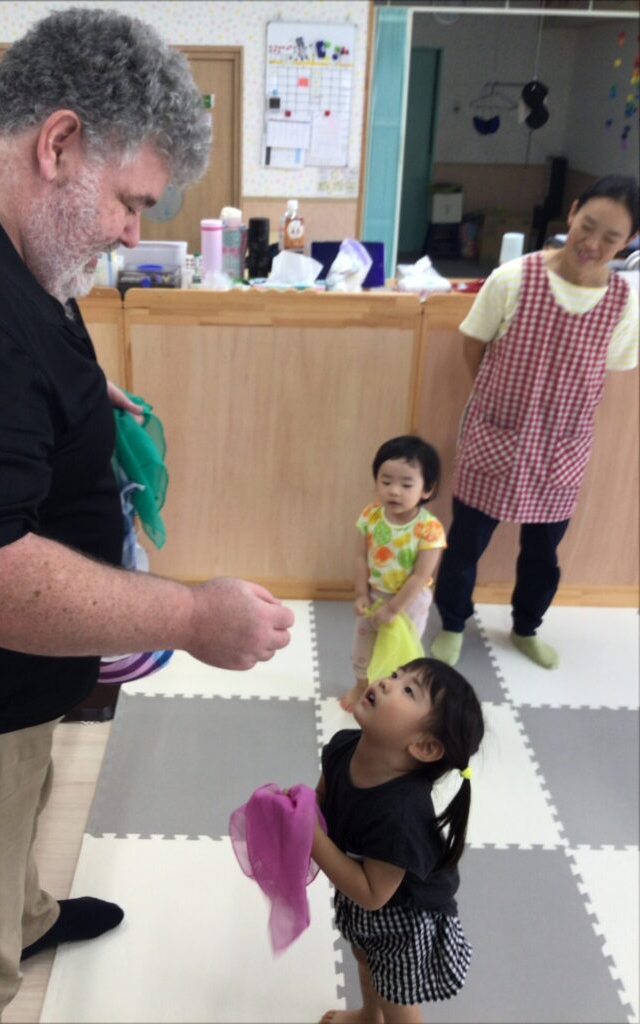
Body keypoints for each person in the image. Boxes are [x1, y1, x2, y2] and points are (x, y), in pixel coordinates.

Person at [0, 9, 294, 1023]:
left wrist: (64, 398)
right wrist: (191, 616)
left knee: (16, 820)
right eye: (130, 201)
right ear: (58, 143)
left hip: (4, 694)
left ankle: (19, 912)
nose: (131, 233)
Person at [431, 175, 639, 670]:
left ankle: (527, 627)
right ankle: (454, 623)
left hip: (563, 447)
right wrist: (498, 401)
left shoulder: (623, 301)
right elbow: (474, 344)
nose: (592, 244)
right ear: (572, 212)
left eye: (610, 237)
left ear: (629, 241)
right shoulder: (513, 278)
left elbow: (611, 367)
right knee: (466, 543)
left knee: (543, 552)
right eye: (587, 226)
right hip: (495, 433)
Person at [308, 658, 484, 1024]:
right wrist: (297, 809)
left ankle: (381, 1014)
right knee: (363, 958)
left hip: (404, 916)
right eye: (394, 674)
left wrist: (310, 837)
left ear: (425, 747)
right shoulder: (342, 747)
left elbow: (373, 894)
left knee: (395, 998)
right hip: (359, 886)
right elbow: (321, 799)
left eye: (408, 690)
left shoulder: (401, 815)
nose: (387, 682)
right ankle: (368, 1017)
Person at [340, 437, 446, 711]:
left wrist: (394, 608)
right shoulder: (371, 516)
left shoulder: (429, 529)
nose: (394, 491)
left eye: (406, 485)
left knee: (399, 649)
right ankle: (362, 685)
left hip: (409, 601)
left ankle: (394, 696)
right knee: (362, 645)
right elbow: (360, 557)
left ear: (427, 489)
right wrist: (361, 594)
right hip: (374, 594)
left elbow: (420, 577)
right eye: (386, 481)